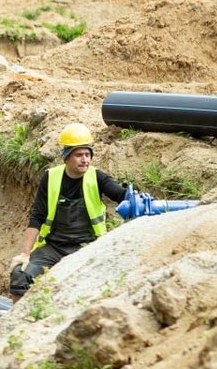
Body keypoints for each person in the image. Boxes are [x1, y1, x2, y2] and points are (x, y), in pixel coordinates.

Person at [9, 123, 129, 302]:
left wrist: (140, 201)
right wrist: (25, 254)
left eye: (87, 154)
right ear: (66, 157)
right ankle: (19, 324)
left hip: (87, 246)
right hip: (54, 248)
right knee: (20, 275)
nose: (85, 160)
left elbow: (122, 195)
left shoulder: (97, 177)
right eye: (79, 155)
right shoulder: (50, 177)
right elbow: (37, 216)